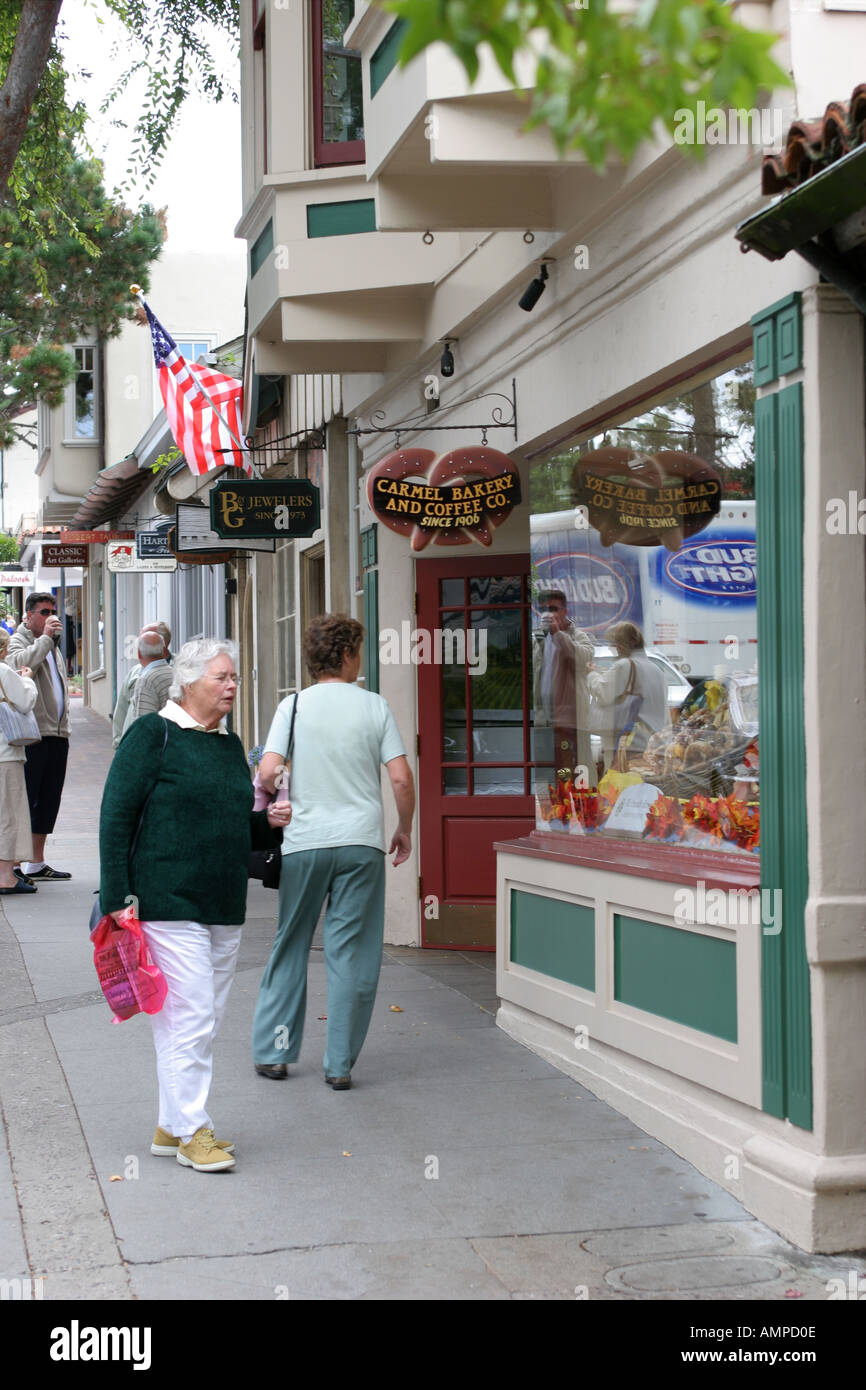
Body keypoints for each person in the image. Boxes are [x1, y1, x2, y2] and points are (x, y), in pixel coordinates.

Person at [98, 638, 289, 1173]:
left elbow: (227, 823)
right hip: (165, 899)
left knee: (198, 1019)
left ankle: (170, 1123)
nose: (232, 686)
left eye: (234, 678)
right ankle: (192, 1132)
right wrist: (116, 897)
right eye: (221, 677)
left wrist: (265, 825)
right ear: (189, 681)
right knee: (192, 1013)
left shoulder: (228, 744)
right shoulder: (151, 735)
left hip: (222, 900)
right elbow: (115, 817)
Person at [252, 614, 414, 1090]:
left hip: (304, 842)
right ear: (345, 656)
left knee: (291, 944)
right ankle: (339, 1064)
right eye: (358, 651)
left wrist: (288, 790)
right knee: (353, 952)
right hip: (361, 843)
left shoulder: (294, 707)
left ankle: (276, 1051)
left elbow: (267, 773)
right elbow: (401, 778)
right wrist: (404, 828)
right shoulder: (375, 706)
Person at [6, 591, 70, 882]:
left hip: (57, 732)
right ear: (28, 615)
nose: (50, 617)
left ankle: (36, 861)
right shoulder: (20, 639)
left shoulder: (50, 642)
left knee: (48, 798)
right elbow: (16, 665)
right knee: (28, 797)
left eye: (52, 611)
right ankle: (17, 864)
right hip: (34, 734)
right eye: (44, 612)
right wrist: (45, 638)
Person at [532, 589, 595, 780]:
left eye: (553, 609)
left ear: (564, 611)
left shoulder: (578, 636)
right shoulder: (539, 638)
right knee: (550, 771)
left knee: (576, 768)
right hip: (544, 717)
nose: (547, 614)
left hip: (571, 719)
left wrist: (558, 634)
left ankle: (582, 805)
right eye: (543, 609)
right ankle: (556, 806)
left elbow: (582, 660)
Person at [587, 621, 667, 770]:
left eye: (612, 645)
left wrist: (591, 674)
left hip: (626, 745)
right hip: (651, 744)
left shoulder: (624, 665)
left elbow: (603, 692)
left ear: (620, 646)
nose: (612, 650)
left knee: (617, 788)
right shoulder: (657, 670)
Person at [0, 630, 38, 895]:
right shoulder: (3, 670)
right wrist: (28, 680)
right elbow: (25, 701)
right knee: (8, 815)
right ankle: (5, 877)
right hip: (4, 753)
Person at [112, 621, 171, 749]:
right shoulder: (135, 672)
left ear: (163, 643)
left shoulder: (180, 672)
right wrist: (119, 742)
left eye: (145, 639)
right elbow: (122, 708)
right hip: (131, 745)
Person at [121, 630, 172, 736]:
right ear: (163, 651)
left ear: (139, 653)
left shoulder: (146, 680)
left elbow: (144, 725)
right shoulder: (175, 673)